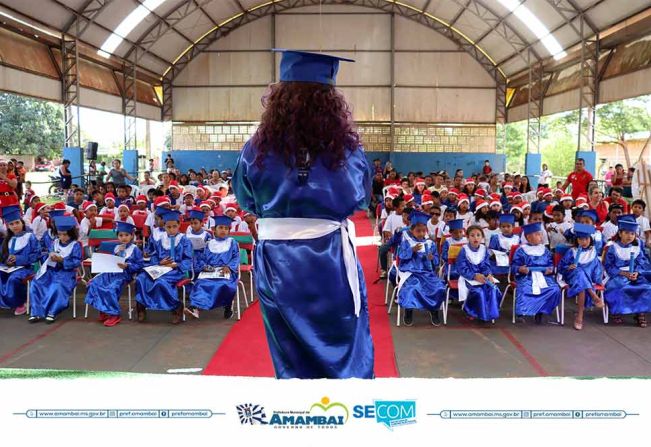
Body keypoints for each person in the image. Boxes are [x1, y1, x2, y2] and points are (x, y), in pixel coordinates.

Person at [232, 50, 374, 379]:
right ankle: (346, 414)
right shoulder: (347, 150)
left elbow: (245, 196)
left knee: (289, 349)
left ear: (279, 99)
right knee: (340, 341)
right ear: (331, 101)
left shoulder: (256, 149)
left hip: (277, 260)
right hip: (328, 257)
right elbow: (359, 199)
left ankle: (299, 416)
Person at [135, 210, 192, 324]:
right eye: (168, 227)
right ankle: (141, 306)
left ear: (179, 225)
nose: (171, 229)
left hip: (176, 270)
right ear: (164, 226)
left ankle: (176, 307)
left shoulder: (184, 240)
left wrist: (175, 264)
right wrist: (160, 263)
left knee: (160, 282)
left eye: (174, 226)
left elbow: (188, 259)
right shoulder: (161, 240)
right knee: (141, 278)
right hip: (160, 268)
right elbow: (155, 255)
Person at [85, 222, 144, 327]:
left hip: (125, 274)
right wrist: (116, 255)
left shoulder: (135, 249)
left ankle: (114, 315)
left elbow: (140, 265)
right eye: (121, 235)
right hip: (112, 272)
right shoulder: (116, 248)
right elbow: (112, 261)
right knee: (96, 283)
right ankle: (103, 309)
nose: (124, 238)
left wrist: (127, 266)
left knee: (111, 288)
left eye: (126, 235)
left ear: (132, 236)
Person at [28, 216, 82, 323]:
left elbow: (76, 262)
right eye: (60, 233)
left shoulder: (75, 245)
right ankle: (36, 312)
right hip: (51, 270)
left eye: (65, 234)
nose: (62, 237)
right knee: (36, 283)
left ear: (71, 233)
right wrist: (49, 257)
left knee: (56, 286)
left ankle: (52, 311)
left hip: (67, 273)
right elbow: (47, 255)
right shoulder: (55, 242)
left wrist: (62, 260)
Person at [396, 211, 445, 327]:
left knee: (438, 287)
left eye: (423, 230)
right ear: (412, 230)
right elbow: (401, 256)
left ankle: (434, 311)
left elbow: (437, 262)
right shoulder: (407, 242)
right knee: (412, 288)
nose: (421, 233)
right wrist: (411, 251)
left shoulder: (430, 243)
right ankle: (409, 310)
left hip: (427, 273)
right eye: (418, 231)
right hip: (411, 272)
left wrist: (432, 259)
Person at [185, 215, 239, 320]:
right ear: (215, 229)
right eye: (221, 228)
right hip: (210, 271)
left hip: (226, 271)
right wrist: (204, 266)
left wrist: (229, 266)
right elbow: (203, 258)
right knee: (200, 283)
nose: (223, 230)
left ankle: (228, 306)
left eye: (226, 228)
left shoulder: (232, 242)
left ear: (229, 231)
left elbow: (236, 257)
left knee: (223, 284)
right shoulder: (209, 243)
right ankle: (195, 308)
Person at [603, 218, 651, 327]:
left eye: (632, 233)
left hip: (634, 274)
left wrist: (637, 273)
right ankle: (617, 310)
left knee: (646, 287)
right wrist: (624, 274)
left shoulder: (637, 246)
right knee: (619, 287)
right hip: (617, 275)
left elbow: (642, 262)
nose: (630, 236)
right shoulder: (612, 247)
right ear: (620, 233)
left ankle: (640, 313)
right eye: (626, 233)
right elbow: (608, 266)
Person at [511, 222, 561, 324]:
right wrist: (520, 269)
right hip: (527, 276)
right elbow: (513, 266)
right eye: (537, 234)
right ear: (528, 237)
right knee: (525, 288)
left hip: (543, 276)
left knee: (554, 289)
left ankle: (541, 312)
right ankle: (522, 313)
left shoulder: (545, 250)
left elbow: (551, 264)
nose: (541, 236)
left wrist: (550, 270)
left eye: (541, 234)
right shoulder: (521, 250)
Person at [558, 223, 604, 330]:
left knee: (581, 282)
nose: (584, 242)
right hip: (572, 277)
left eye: (586, 239)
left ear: (590, 239)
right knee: (578, 272)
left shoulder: (593, 251)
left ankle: (580, 316)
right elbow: (561, 267)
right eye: (581, 239)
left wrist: (597, 278)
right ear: (576, 240)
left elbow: (596, 268)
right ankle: (593, 296)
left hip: (588, 278)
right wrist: (569, 266)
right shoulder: (572, 252)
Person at [0, 206, 40, 316]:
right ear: (8, 226)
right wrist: (6, 261)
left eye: (17, 222)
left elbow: (36, 255)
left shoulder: (30, 237)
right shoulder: (7, 239)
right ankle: (6, 302)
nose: (15, 226)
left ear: (22, 222)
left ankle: (21, 302)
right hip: (9, 268)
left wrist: (18, 259)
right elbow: (3, 257)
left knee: (14, 279)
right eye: (11, 224)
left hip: (27, 268)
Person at [456, 225, 500, 323]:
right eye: (472, 235)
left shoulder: (484, 249)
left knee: (493, 288)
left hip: (482, 277)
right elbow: (461, 268)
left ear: (482, 237)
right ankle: (472, 311)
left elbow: (486, 265)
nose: (475, 238)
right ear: (467, 237)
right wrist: (474, 276)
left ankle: (490, 313)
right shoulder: (464, 250)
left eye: (478, 235)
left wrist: (488, 274)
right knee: (478, 291)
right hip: (468, 278)